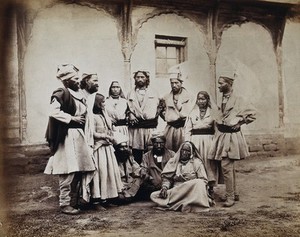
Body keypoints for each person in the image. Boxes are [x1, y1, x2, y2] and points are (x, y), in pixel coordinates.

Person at [44, 64, 96, 215]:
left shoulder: (79, 94)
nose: (78, 81)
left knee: (79, 170)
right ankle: (64, 203)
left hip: (79, 136)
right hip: (67, 136)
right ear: (67, 81)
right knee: (67, 170)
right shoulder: (62, 92)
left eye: (78, 78)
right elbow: (53, 111)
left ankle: (75, 200)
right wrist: (71, 118)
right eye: (75, 79)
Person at [208, 75, 256, 207]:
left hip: (231, 137)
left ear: (229, 84)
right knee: (228, 166)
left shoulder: (239, 99)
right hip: (222, 135)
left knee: (226, 166)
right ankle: (234, 193)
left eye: (221, 83)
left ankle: (230, 197)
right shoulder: (221, 98)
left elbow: (253, 114)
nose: (219, 86)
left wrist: (241, 122)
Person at [150, 141, 213, 213]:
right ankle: (183, 202)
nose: (184, 153)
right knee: (153, 195)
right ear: (180, 151)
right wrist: (164, 187)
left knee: (199, 182)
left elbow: (203, 181)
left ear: (191, 153)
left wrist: (188, 185)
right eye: (183, 150)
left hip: (191, 192)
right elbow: (167, 178)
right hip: (177, 192)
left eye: (187, 151)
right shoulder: (173, 161)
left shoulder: (197, 162)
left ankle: (181, 203)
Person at [91, 93, 124, 207]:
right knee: (99, 174)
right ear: (97, 103)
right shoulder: (92, 116)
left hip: (107, 148)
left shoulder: (104, 114)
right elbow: (91, 133)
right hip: (98, 149)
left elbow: (109, 128)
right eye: (103, 102)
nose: (105, 104)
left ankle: (106, 199)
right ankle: (96, 201)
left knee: (109, 173)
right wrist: (104, 136)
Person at [184, 91, 217, 197]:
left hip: (209, 141)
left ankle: (210, 187)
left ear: (207, 100)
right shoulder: (192, 113)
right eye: (199, 99)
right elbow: (187, 130)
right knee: (197, 162)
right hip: (195, 141)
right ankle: (199, 187)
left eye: (203, 99)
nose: (200, 101)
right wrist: (187, 143)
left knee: (209, 163)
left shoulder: (213, 113)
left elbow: (216, 130)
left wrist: (216, 143)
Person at [127, 70, 161, 164]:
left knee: (151, 150)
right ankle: (138, 171)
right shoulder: (130, 93)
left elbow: (161, 106)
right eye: (138, 77)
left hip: (150, 127)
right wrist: (130, 114)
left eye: (142, 77)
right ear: (134, 79)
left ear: (147, 78)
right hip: (136, 128)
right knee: (136, 151)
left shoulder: (154, 92)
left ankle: (152, 171)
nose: (140, 79)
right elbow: (127, 108)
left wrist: (156, 116)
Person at [161, 71, 193, 152]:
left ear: (181, 83)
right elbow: (161, 109)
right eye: (172, 83)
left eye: (176, 83)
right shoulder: (166, 97)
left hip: (183, 128)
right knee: (169, 150)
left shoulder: (189, 96)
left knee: (183, 150)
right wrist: (166, 116)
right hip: (170, 129)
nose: (174, 85)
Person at [138, 132, 175, 199]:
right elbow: (143, 169)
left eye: (161, 143)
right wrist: (150, 178)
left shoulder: (172, 154)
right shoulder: (146, 156)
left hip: (168, 184)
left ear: (165, 143)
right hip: (153, 185)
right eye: (156, 143)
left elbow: (174, 170)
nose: (158, 145)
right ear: (152, 143)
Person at [114, 135, 142, 203]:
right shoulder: (113, 160)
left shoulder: (129, 157)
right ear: (117, 148)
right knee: (120, 198)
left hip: (130, 184)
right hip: (119, 186)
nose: (124, 149)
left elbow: (137, 169)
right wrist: (122, 190)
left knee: (141, 178)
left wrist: (142, 172)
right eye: (122, 147)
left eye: (126, 147)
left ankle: (130, 196)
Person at [80, 73, 99, 148]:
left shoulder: (92, 96)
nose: (97, 83)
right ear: (87, 81)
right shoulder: (79, 95)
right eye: (95, 80)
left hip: (90, 132)